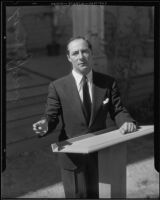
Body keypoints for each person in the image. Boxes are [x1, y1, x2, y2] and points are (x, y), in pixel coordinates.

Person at [33, 36, 137, 198]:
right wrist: (45, 124)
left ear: (91, 54)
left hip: (101, 156)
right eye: (75, 53)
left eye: (85, 51)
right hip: (73, 158)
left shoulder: (107, 82)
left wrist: (126, 122)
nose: (80, 57)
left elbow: (118, 110)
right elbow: (51, 116)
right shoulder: (58, 86)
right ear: (69, 57)